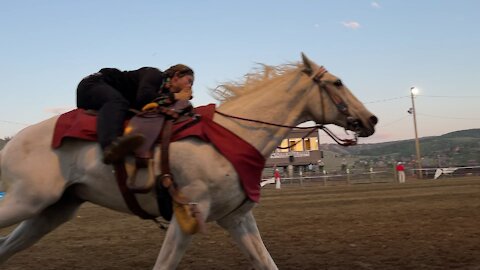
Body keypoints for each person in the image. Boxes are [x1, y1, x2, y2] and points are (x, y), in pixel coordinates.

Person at [76, 64, 194, 164]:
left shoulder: (162, 94)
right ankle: (109, 146)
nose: (190, 86)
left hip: (107, 93)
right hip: (93, 84)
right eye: (189, 81)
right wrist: (176, 96)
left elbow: (152, 104)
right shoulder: (155, 74)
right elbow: (144, 98)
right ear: (176, 76)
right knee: (118, 102)